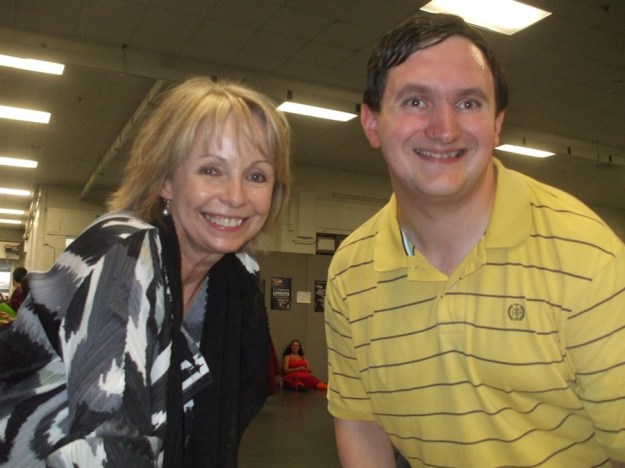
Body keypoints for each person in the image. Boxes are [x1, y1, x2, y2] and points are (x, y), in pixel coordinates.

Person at [324, 13, 625, 468]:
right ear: (371, 122)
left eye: (468, 103)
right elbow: (360, 423)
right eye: (416, 101)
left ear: (497, 123)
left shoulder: (587, 258)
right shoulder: (350, 274)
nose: (445, 129)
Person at [0, 77, 291, 467]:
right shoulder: (124, 253)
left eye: (256, 176)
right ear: (165, 180)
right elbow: (109, 445)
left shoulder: (237, 279)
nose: (236, 196)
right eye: (211, 170)